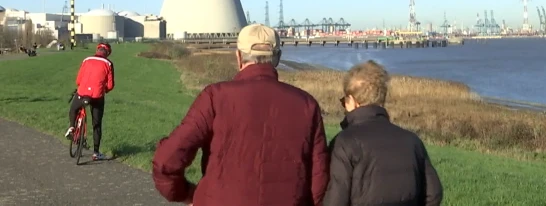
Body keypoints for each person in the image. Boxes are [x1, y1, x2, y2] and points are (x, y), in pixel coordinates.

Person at [151, 24, 330, 206]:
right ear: (277, 58)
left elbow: (166, 160)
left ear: (238, 56)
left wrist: (186, 194)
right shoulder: (306, 104)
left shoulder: (215, 97)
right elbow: (319, 180)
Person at [323, 60, 444, 206]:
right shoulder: (412, 141)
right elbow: (433, 193)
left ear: (353, 101)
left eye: (344, 101)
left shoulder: (344, 142)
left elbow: (336, 199)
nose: (344, 106)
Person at [65, 41, 115, 161]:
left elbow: (78, 80)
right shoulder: (108, 63)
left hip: (82, 93)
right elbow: (111, 85)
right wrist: (104, 91)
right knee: (96, 124)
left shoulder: (86, 60)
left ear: (97, 50)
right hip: (97, 96)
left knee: (73, 109)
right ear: (107, 53)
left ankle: (72, 127)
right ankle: (96, 153)